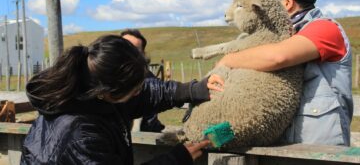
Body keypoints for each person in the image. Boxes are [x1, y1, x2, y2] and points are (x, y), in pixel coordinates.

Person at [21, 35, 222, 164]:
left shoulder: (91, 92)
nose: (140, 92)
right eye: (135, 89)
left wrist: (193, 89)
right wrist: (177, 159)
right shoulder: (81, 134)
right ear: (107, 92)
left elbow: (147, 94)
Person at [217, 0, 353, 146]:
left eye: (267, 2)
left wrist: (227, 60)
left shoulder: (324, 28)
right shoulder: (281, 35)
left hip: (317, 149)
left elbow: (277, 57)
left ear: (287, 3)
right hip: (279, 145)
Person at [121, 29, 166, 132]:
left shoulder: (148, 80)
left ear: (142, 54)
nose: (127, 52)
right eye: (124, 46)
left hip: (143, 136)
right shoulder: (103, 75)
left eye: (134, 49)